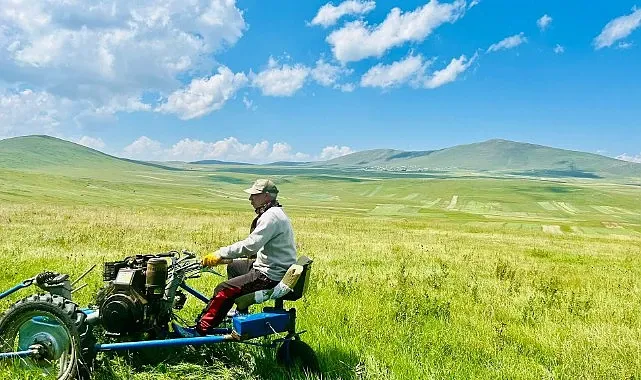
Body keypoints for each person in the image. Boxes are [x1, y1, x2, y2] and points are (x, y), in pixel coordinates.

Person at [195, 179, 297, 335]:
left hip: (269, 274)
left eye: (254, 195)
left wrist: (220, 253)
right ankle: (240, 312)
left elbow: (251, 246)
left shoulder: (271, 217)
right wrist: (227, 258)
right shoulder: (274, 212)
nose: (250, 199)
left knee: (223, 290)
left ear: (266, 196)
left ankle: (201, 331)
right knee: (234, 267)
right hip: (272, 266)